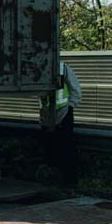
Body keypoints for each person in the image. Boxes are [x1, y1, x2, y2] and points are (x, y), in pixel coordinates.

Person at [40, 60, 82, 190]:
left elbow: (76, 91)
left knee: (66, 148)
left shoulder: (63, 68)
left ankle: (69, 180)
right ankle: (54, 179)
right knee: (50, 148)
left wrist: (70, 107)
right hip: (47, 115)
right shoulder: (40, 67)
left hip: (63, 113)